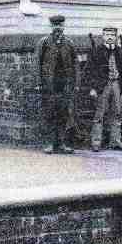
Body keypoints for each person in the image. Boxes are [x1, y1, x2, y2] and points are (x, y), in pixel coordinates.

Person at [86, 26, 122, 151]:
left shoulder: (120, 51)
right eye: (107, 34)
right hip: (102, 85)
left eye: (112, 35)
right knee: (100, 114)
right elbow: (90, 71)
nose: (110, 37)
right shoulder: (97, 51)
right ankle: (96, 143)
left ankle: (115, 141)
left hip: (117, 84)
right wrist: (93, 88)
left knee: (117, 113)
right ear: (103, 36)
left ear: (116, 37)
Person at [38, 15, 76, 154]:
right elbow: (38, 63)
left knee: (64, 113)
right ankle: (49, 143)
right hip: (49, 84)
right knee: (49, 113)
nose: (58, 28)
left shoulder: (69, 43)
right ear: (51, 27)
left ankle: (62, 143)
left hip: (65, 84)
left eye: (60, 25)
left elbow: (74, 64)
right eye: (55, 26)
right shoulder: (44, 42)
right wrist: (39, 82)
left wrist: (74, 83)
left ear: (64, 26)